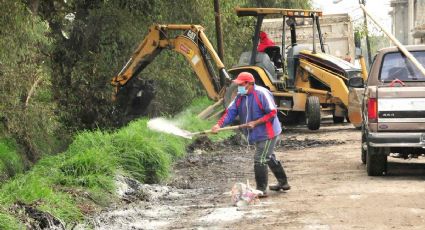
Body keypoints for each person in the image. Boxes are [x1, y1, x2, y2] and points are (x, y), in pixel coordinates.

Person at [211, 72, 290, 197]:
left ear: (249, 84)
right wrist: (218, 125)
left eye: (241, 84)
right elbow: (230, 113)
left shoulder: (261, 93)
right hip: (256, 134)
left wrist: (256, 123)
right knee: (268, 156)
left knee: (260, 159)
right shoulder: (240, 96)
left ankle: (261, 190)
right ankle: (283, 182)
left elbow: (272, 113)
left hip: (268, 132)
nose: (238, 87)